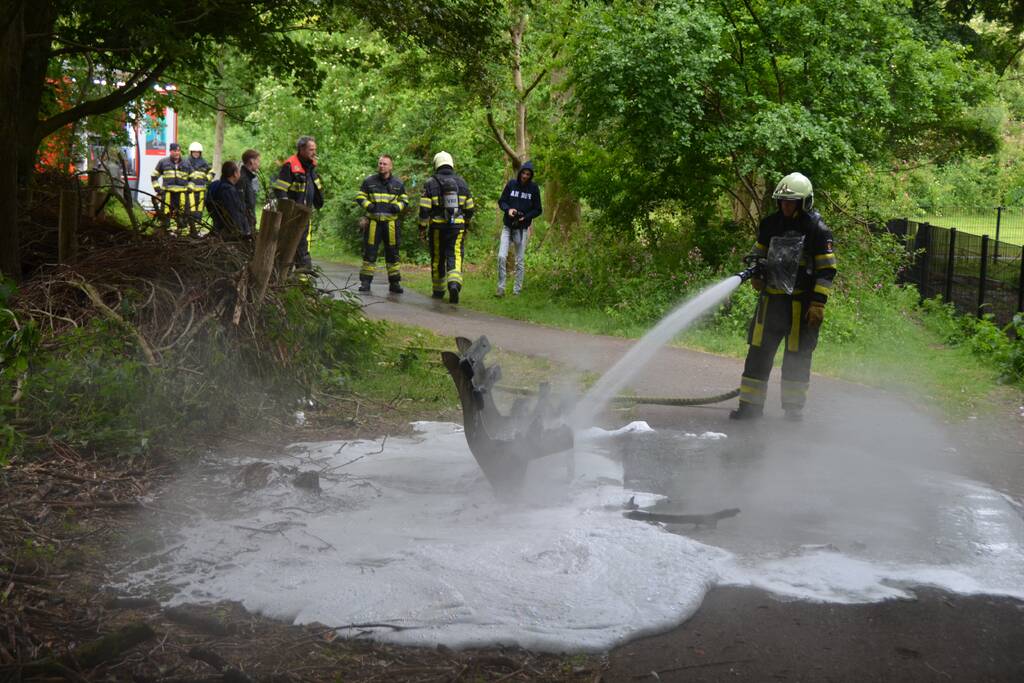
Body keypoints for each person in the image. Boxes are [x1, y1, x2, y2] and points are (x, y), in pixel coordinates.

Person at [731, 172, 836, 422]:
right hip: (771, 303)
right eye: (783, 202)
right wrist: (756, 270)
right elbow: (759, 252)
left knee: (797, 358)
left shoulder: (818, 231)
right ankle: (750, 408)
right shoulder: (770, 224)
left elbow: (827, 269)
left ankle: (793, 410)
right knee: (758, 353)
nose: (786, 206)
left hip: (801, 306)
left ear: (804, 202)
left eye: (792, 202)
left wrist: (818, 303)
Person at [418, 151, 474, 303]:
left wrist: (422, 228)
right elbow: (470, 208)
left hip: (437, 227)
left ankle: (438, 291)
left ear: (436, 163)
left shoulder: (430, 182)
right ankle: (454, 284)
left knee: (437, 257)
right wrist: (466, 225)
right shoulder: (462, 183)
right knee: (455, 255)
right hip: (457, 227)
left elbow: (424, 209)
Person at [355, 154, 409, 293]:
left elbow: (405, 200)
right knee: (370, 253)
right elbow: (360, 196)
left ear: (390, 166)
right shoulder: (369, 181)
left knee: (392, 253)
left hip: (391, 224)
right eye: (380, 163)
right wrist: (369, 206)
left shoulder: (398, 183)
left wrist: (398, 207)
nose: (382, 166)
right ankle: (365, 283)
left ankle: (395, 283)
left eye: (385, 164)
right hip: (373, 223)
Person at [272, 135, 324, 270]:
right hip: (292, 215)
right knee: (293, 248)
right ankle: (294, 279)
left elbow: (315, 188)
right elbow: (280, 189)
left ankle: (299, 281)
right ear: (301, 149)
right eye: (311, 149)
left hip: (305, 214)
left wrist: (319, 201)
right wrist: (287, 211)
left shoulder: (310, 167)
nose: (314, 153)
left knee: (301, 246)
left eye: (315, 149)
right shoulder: (290, 166)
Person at [496, 160, 542, 297]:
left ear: (531, 175)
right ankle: (501, 288)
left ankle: (517, 291)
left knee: (519, 261)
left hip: (522, 229)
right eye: (523, 173)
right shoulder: (511, 184)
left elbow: (538, 209)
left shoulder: (533, 188)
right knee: (501, 257)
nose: (525, 176)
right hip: (508, 227)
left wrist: (525, 217)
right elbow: (502, 201)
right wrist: (508, 209)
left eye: (528, 174)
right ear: (520, 172)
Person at [150, 142, 190, 231]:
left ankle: (182, 234)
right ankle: (165, 233)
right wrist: (158, 190)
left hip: (181, 194)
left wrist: (190, 188)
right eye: (175, 151)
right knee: (165, 214)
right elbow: (154, 176)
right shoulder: (163, 162)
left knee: (182, 214)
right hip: (167, 194)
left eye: (178, 151)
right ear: (170, 151)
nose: (177, 153)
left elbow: (193, 177)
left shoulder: (186, 163)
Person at [206, 161, 247, 237]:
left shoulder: (217, 185)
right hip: (228, 234)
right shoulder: (228, 191)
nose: (240, 174)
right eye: (238, 171)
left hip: (217, 228)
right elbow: (234, 213)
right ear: (235, 174)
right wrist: (242, 232)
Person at [185, 142, 214, 233]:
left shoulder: (204, 162)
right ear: (191, 152)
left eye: (198, 152)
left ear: (200, 153)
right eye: (194, 152)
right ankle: (191, 229)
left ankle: (197, 229)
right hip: (191, 191)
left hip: (202, 190)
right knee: (191, 210)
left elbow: (212, 172)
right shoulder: (186, 162)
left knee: (200, 210)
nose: (196, 153)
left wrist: (207, 178)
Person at [238, 149, 261, 237]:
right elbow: (242, 203)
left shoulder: (249, 177)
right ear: (251, 161)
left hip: (249, 220)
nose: (259, 164)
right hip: (246, 223)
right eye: (258, 161)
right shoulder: (243, 179)